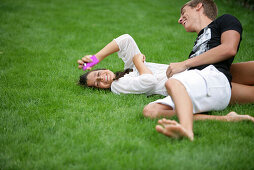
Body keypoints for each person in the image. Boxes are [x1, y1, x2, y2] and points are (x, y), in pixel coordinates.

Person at [77, 34, 254, 124]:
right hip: (191, 84)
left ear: (104, 68)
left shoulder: (127, 70)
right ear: (100, 89)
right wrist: (139, 62)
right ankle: (228, 119)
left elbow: (126, 40)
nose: (102, 79)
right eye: (98, 83)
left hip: (199, 71)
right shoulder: (118, 86)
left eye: (98, 74)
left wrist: (94, 59)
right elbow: (149, 81)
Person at [148, 0, 246, 141]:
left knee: (174, 83)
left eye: (183, 13)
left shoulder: (225, 20)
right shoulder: (199, 42)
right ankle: (227, 119)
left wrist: (185, 64)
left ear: (199, 5)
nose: (179, 19)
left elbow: (229, 48)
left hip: (214, 79)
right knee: (151, 111)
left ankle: (186, 130)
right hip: (206, 85)